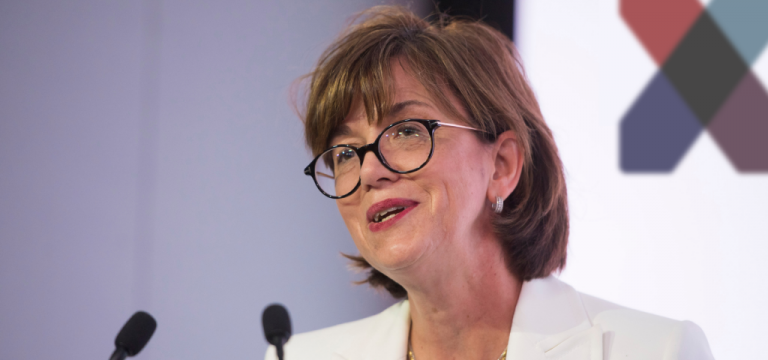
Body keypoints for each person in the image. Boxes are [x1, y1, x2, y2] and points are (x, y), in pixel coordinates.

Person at [267, 6, 714, 360]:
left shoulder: (656, 351)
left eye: (405, 131)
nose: (368, 172)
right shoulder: (298, 357)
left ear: (501, 165)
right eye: (345, 153)